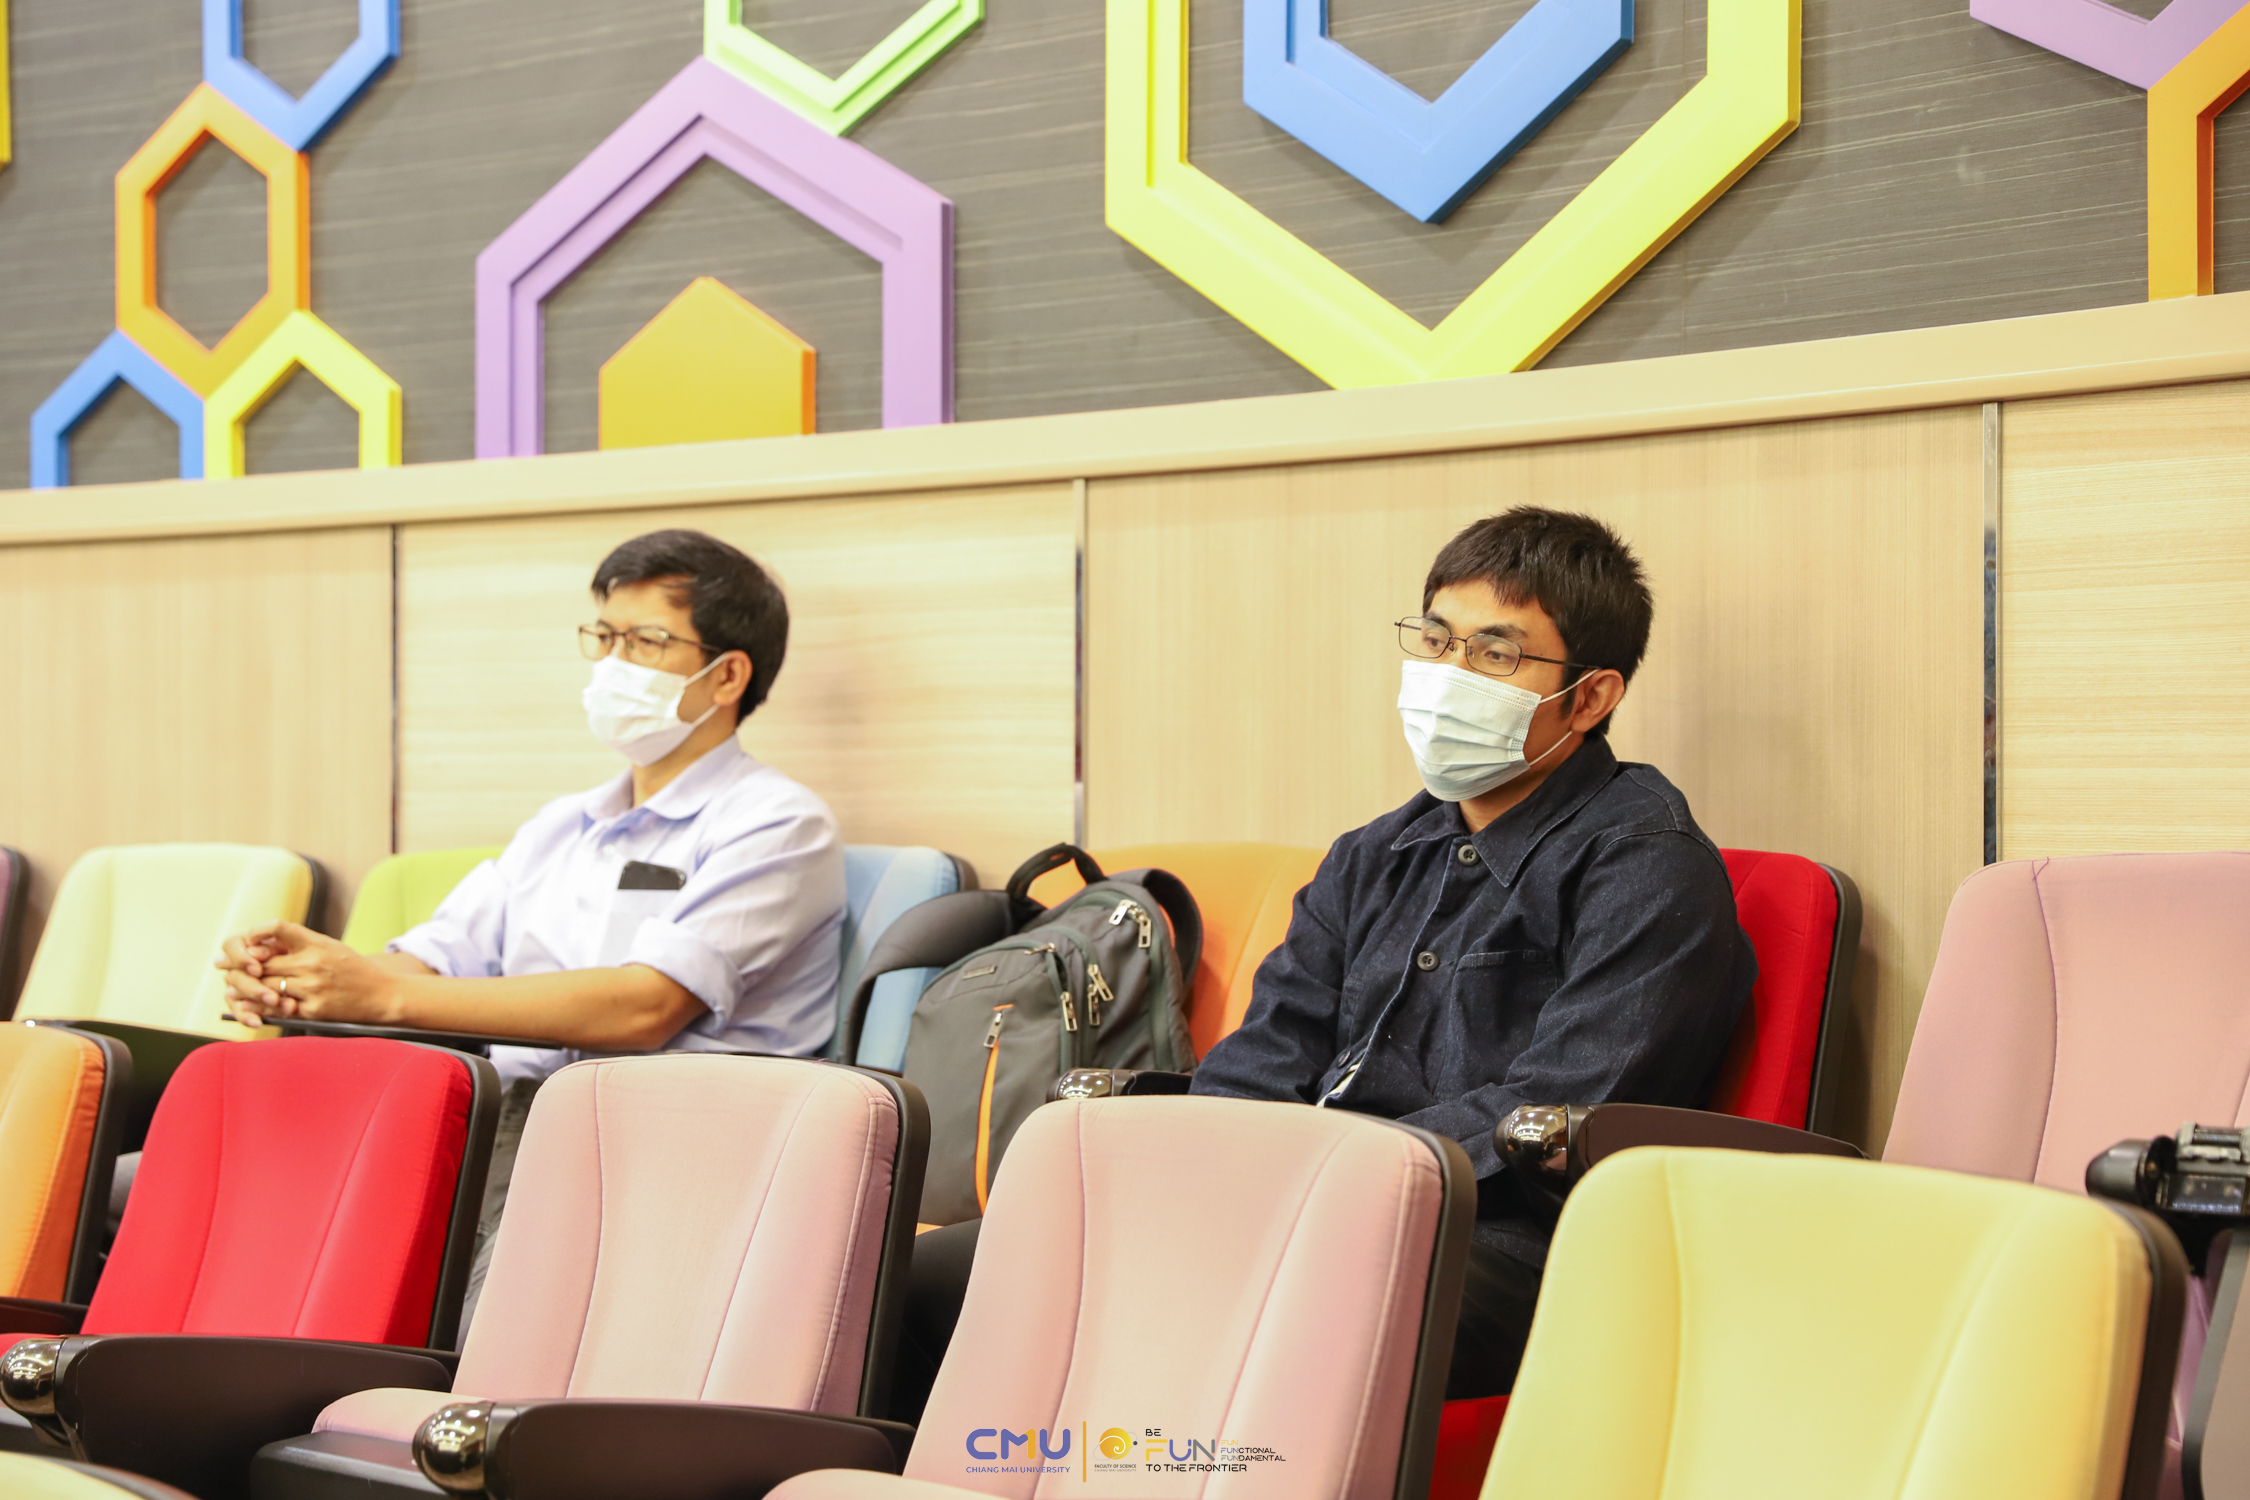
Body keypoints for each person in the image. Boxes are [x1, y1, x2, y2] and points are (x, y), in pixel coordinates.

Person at [897, 505, 1754, 1411]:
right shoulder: (1370, 857)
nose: (1449, 675)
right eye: (1437, 640)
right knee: (929, 1281)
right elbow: (1268, 1055)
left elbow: (1555, 1111)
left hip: (1502, 1246)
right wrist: (1201, 1173)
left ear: (1589, 697)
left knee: (1212, 1309)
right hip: (1299, 1202)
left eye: (1496, 653)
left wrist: (1314, 1178)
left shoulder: (1646, 866)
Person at [210, 528, 847, 1315]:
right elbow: (437, 960)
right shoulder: (562, 824)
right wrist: (308, 978)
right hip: (506, 1120)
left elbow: (645, 1006)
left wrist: (380, 996)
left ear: (727, 675)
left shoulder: (777, 823)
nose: (613, 664)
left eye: (646, 641)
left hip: (662, 1140)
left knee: (419, 1299)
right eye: (605, 637)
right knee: (199, 1194)